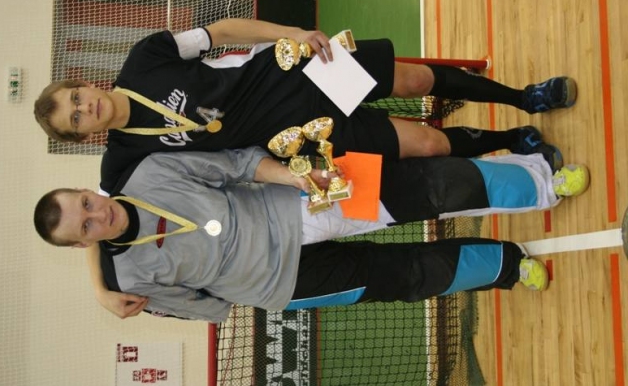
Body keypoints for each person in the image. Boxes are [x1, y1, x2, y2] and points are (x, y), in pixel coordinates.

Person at [34, 147, 589, 322]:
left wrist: (296, 178)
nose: (97, 216)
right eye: (85, 227)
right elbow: (206, 308)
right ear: (83, 244)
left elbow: (236, 163)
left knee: (422, 187)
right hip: (286, 283)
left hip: (296, 203)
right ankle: (507, 266)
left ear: (89, 189)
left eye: (86, 204)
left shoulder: (146, 171)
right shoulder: (128, 280)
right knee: (404, 277)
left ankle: (543, 180)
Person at [33, 18, 575, 195]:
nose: (86, 108)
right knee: (426, 144)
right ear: (83, 137)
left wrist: (291, 34)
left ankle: (524, 97)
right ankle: (513, 143)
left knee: (414, 78)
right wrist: (101, 289)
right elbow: (96, 213)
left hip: (294, 73)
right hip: (299, 141)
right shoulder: (124, 156)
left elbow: (224, 31)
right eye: (75, 119)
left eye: (76, 98)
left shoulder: (144, 58)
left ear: (84, 83)